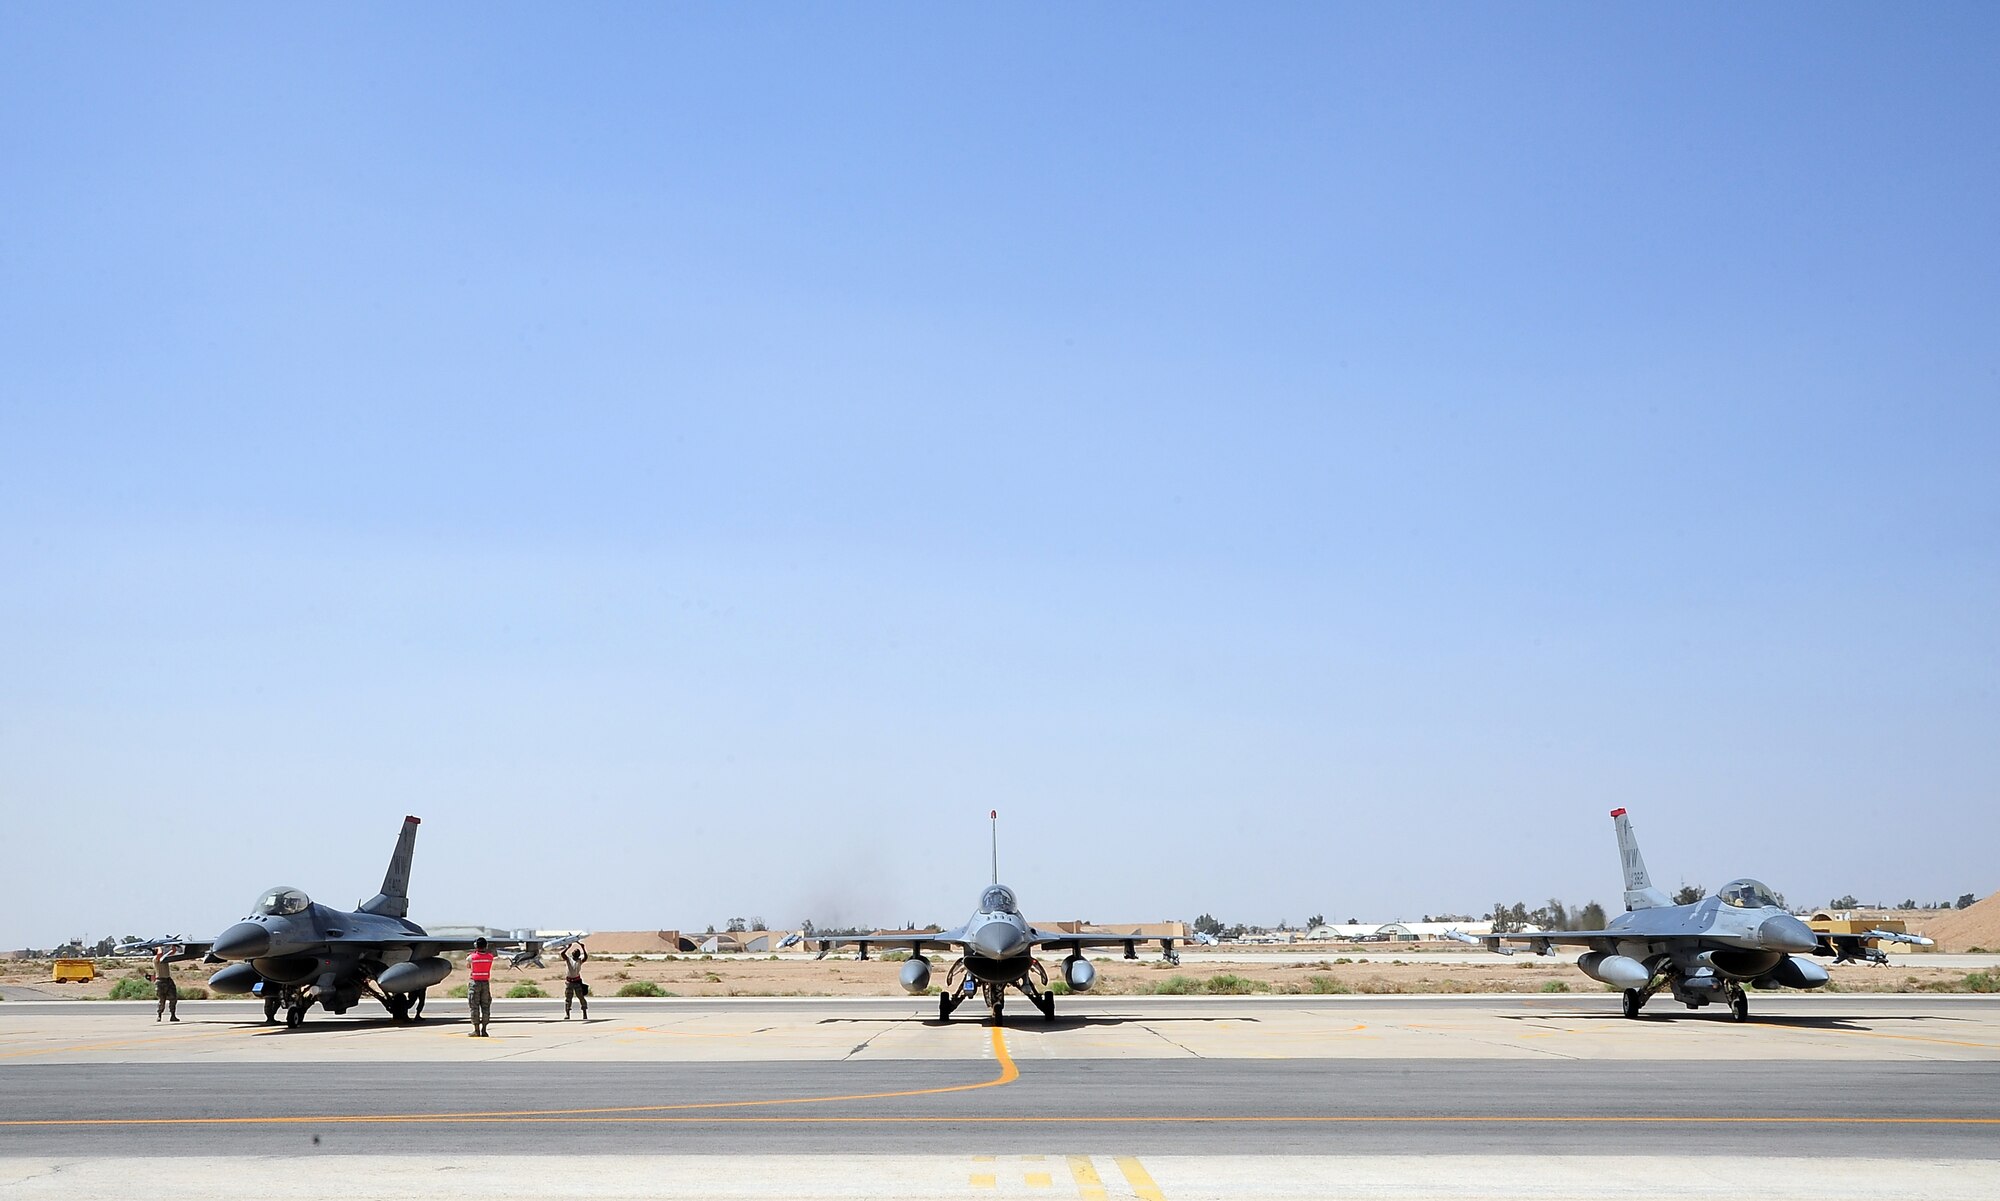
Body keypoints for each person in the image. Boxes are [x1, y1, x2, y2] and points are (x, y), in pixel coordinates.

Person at [467, 938, 496, 1037]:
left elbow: (468, 965)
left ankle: (476, 1030)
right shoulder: (490, 957)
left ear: (476, 946)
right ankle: (484, 1030)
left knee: (474, 1006)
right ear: (486, 946)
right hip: (485, 983)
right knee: (485, 1006)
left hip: (474, 983)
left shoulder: (472, 957)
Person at [562, 940, 590, 1020]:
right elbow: (562, 954)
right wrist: (568, 947)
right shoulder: (568, 960)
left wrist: (583, 948)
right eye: (574, 951)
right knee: (568, 998)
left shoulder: (579, 961)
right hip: (569, 982)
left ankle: (584, 1013)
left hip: (577, 981)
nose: (575, 952)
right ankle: (567, 1014)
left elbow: (586, 957)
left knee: (581, 997)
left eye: (576, 952)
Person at [152, 944, 180, 1023]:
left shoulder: (164, 958)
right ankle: (159, 1015)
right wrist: (159, 946)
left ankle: (173, 1015)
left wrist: (173, 945)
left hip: (168, 980)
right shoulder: (155, 959)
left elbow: (173, 951)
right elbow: (160, 954)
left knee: (173, 998)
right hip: (160, 981)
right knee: (162, 1000)